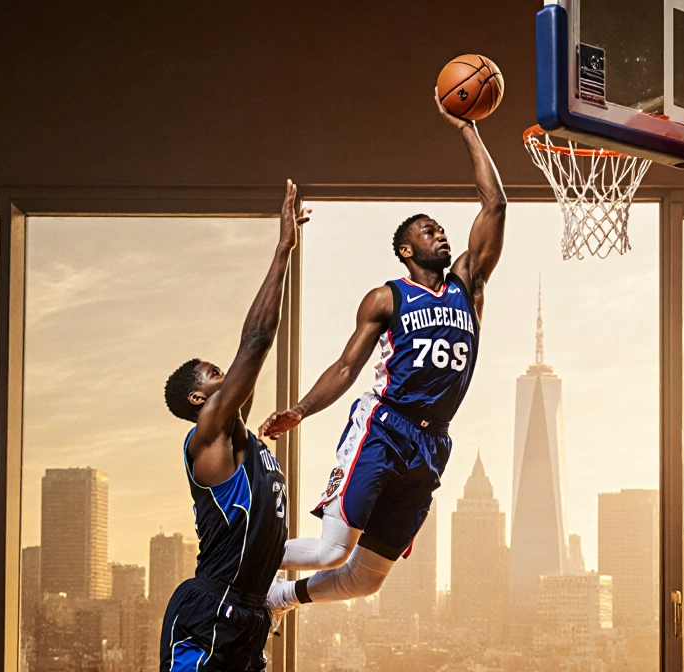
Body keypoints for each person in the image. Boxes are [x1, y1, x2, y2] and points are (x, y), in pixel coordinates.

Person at [261, 91, 506, 618]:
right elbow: (348, 366)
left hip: (432, 444)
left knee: (365, 579)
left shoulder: (469, 287)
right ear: (406, 249)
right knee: (331, 550)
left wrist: (467, 127)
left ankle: (282, 596)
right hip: (384, 425)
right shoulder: (386, 297)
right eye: (428, 231)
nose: (441, 235)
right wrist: (301, 410)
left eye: (442, 231)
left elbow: (495, 206)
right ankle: (232, 558)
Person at [159, 181, 310, 672]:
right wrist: (283, 249)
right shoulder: (207, 436)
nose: (229, 376)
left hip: (248, 614)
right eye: (216, 376)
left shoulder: (255, 447)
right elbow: (259, 339)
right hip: (209, 611)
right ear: (200, 400)